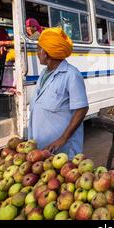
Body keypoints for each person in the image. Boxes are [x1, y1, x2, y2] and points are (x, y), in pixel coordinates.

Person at [28, 27, 89, 159]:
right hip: (42, 148)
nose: (37, 53)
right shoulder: (44, 73)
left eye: (39, 49)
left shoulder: (71, 75)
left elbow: (82, 109)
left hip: (62, 151)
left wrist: (62, 139)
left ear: (47, 52)